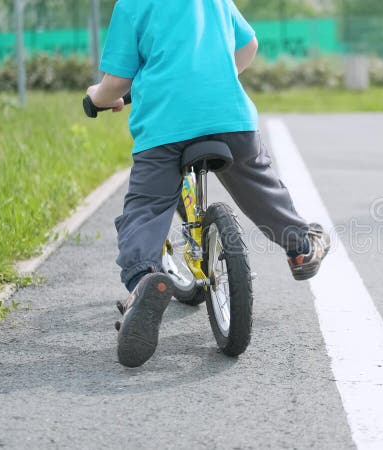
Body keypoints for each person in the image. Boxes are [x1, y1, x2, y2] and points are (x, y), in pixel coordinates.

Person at [85, 0, 330, 368]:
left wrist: (96, 98)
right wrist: (220, 77)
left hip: (165, 127)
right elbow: (248, 46)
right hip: (229, 116)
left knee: (146, 208)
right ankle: (300, 245)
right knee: (259, 185)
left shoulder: (132, 4)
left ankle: (143, 280)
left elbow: (116, 83)